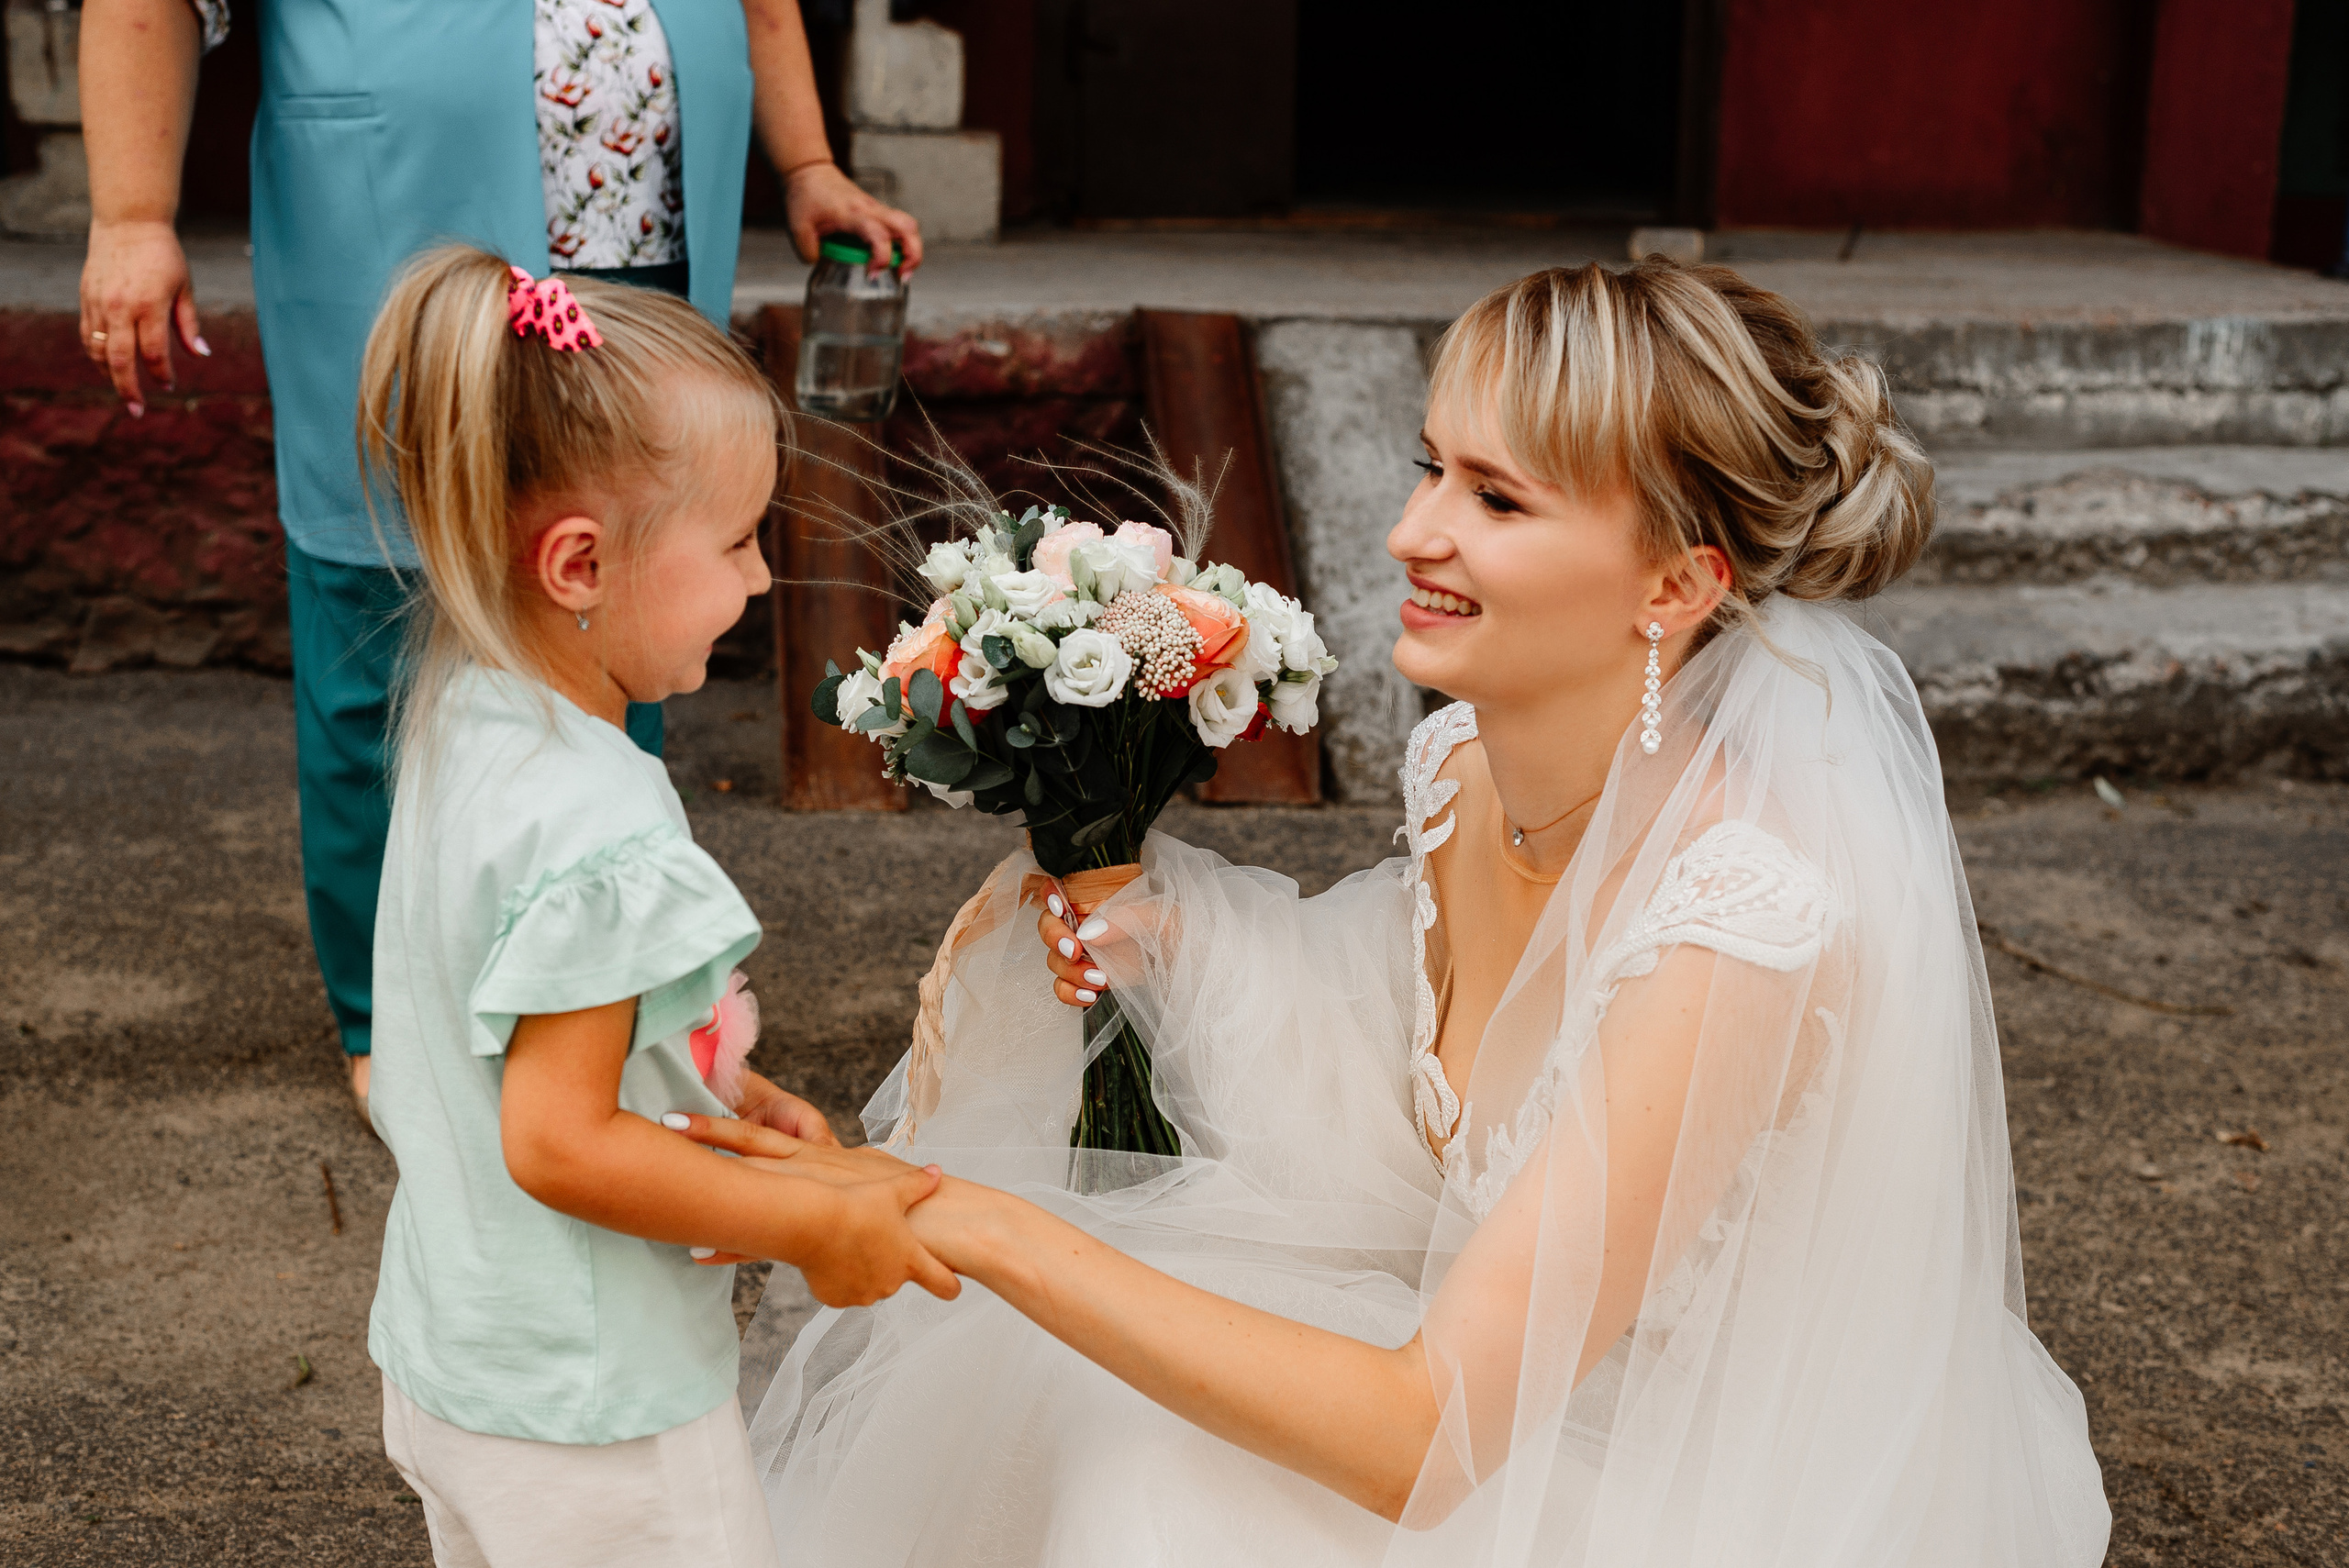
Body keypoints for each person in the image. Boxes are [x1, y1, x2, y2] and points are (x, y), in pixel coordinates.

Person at [680, 259, 2111, 1566]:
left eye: (1496, 499)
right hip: (1491, 1383)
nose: (1407, 529)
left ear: (1674, 584)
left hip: (1676, 1480)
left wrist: (978, 1225)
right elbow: (1400, 1060)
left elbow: (1422, 1442)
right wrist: (1178, 935)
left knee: (1145, 1484)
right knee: (1071, 1400)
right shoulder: (1466, 768)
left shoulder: (1737, 928)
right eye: (1433, 466)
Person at [75, 0, 920, 1119]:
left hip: (639, 252)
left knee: (627, 602)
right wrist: (133, 212)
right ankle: (394, 1018)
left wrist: (805, 160)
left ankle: (603, 975)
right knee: (386, 613)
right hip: (397, 226)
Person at [357, 243, 955, 1568]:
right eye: (738, 540)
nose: (756, 580)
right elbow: (561, 1142)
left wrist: (719, 1091)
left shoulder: (460, 706)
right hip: (597, 1415)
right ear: (578, 563)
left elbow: (508, 1009)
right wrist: (818, 1225)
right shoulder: (601, 811)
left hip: (460, 1357)